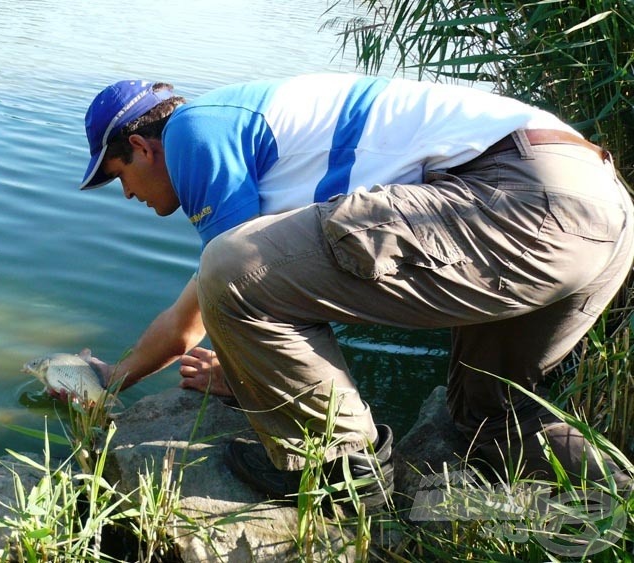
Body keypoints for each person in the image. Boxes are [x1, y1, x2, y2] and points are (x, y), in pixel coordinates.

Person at [75, 75, 634, 501]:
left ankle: (342, 471)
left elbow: (233, 276)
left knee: (231, 263)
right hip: (598, 211)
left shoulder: (192, 130)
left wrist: (245, 377)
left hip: (521, 199)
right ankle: (620, 502)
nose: (126, 196)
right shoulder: (265, 144)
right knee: (491, 418)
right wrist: (110, 379)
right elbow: (197, 311)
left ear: (141, 145)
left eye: (118, 175)